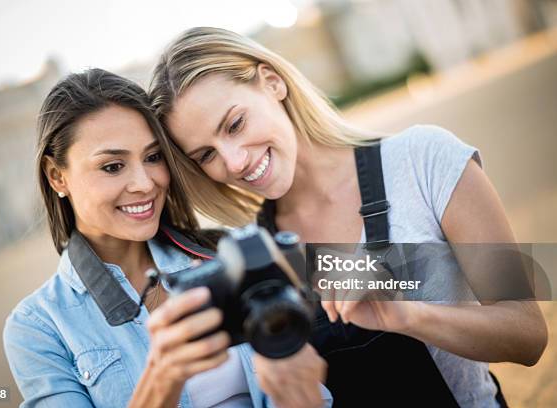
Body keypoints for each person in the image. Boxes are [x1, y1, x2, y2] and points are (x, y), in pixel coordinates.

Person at [148, 27, 548, 407]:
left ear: (272, 82)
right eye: (206, 155)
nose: (234, 162)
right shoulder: (253, 256)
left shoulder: (424, 160)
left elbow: (528, 334)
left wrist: (408, 314)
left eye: (235, 124)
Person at [2, 68, 332, 408]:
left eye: (153, 157)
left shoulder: (230, 251)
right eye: (113, 166)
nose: (145, 184)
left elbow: (379, 275)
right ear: (57, 176)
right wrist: (162, 380)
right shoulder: (37, 328)